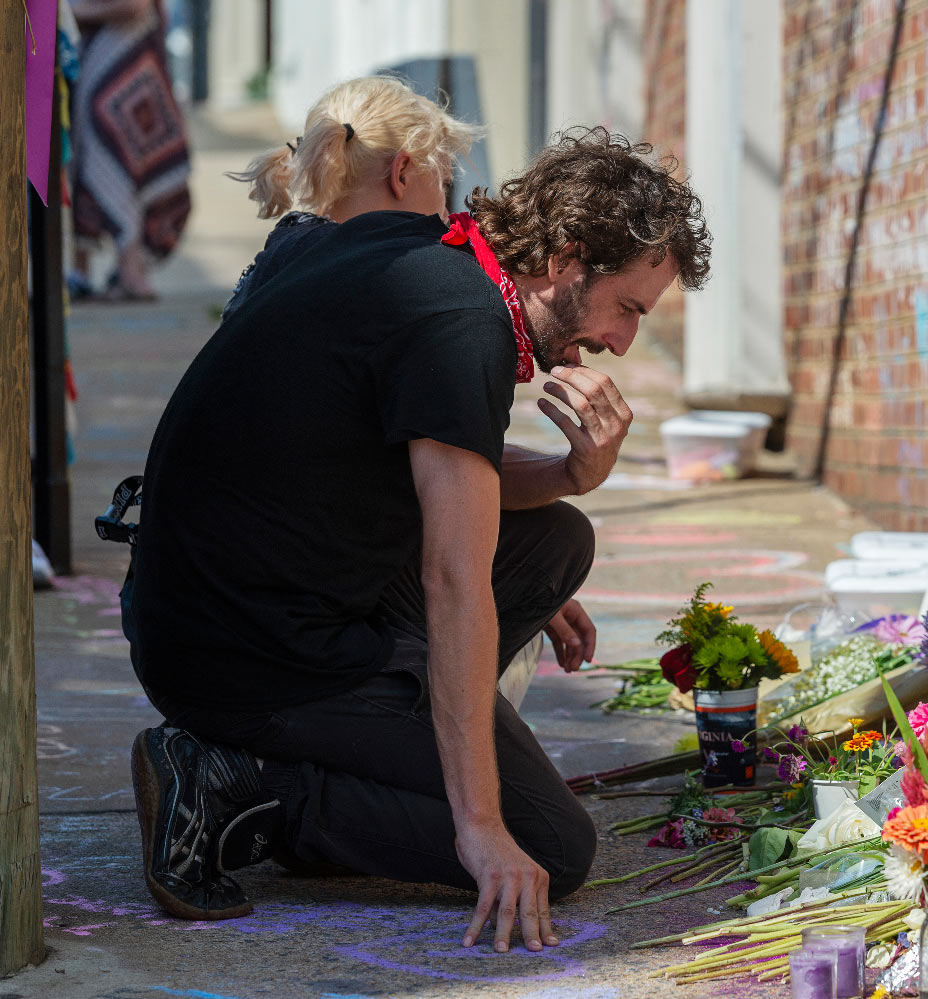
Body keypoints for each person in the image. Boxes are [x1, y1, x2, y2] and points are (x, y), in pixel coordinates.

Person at [121, 83, 712, 955]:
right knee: (551, 843)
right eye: (626, 308)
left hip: (210, 605)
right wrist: (478, 826)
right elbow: (451, 579)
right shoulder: (457, 322)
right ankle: (235, 781)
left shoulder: (423, 252)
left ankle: (382, 740)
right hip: (245, 658)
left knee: (554, 541)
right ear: (567, 253)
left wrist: (571, 475)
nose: (623, 343)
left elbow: (421, 460)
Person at [69, 0, 191, 301]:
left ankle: (130, 268)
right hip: (105, 57)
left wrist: (72, 12)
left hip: (125, 60)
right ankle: (87, 268)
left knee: (120, 156)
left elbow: (135, 5)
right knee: (90, 157)